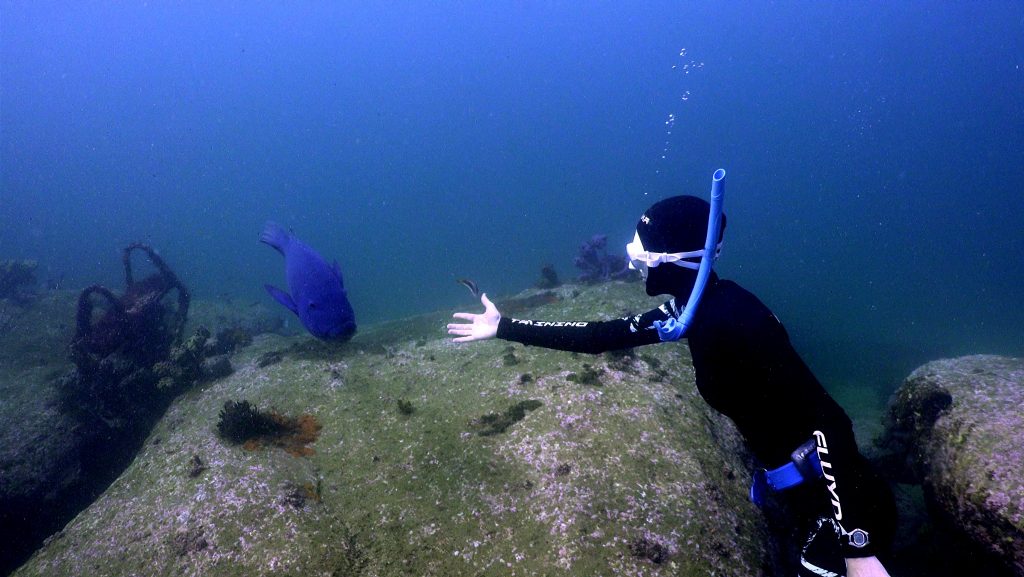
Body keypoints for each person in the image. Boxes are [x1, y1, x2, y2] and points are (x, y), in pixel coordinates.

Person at [447, 184, 896, 577]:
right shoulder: (690, 311)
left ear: (671, 259)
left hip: (844, 514)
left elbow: (831, 423)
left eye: (640, 254)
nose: (635, 264)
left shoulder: (736, 319)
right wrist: (504, 327)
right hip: (811, 507)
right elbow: (598, 337)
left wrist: (857, 547)